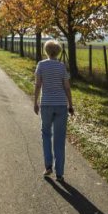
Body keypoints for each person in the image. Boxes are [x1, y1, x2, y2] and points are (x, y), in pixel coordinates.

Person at [33, 39, 74, 181]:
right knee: (59, 138)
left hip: (46, 104)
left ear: (46, 51)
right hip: (61, 105)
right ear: (58, 52)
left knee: (45, 135)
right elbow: (67, 87)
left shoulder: (41, 65)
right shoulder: (61, 66)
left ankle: (48, 166)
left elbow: (38, 85)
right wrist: (70, 104)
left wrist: (35, 102)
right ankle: (60, 173)